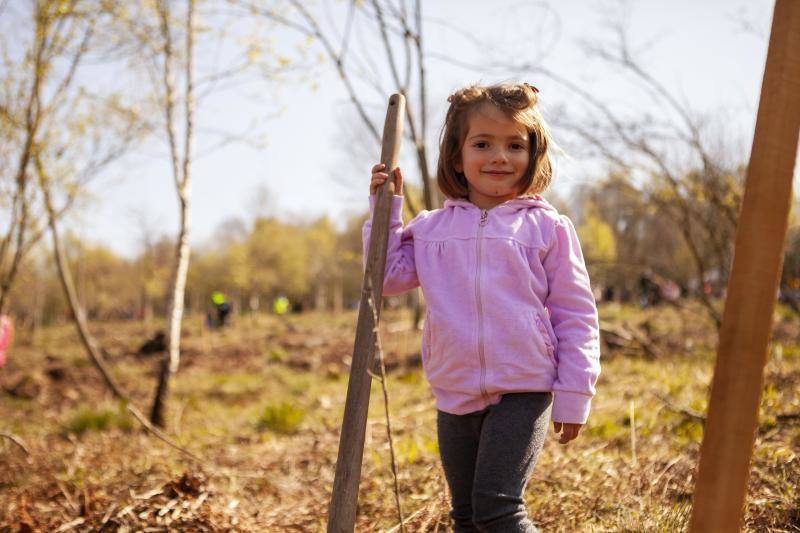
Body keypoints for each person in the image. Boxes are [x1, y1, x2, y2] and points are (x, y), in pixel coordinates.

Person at [364, 83, 600, 532]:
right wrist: (384, 212)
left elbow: (576, 315)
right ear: (457, 156)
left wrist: (575, 393)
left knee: (498, 508)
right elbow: (387, 278)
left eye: (516, 145)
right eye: (483, 143)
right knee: (467, 516)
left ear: (534, 155)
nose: (499, 156)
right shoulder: (432, 228)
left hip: (524, 387)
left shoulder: (547, 227)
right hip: (454, 392)